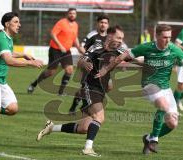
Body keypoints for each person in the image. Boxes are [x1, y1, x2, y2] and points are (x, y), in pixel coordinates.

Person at [95, 24, 183, 154]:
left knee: (172, 123)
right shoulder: (146, 47)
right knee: (163, 105)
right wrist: (106, 69)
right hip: (149, 85)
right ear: (157, 36)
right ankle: (154, 140)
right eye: (164, 37)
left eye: (169, 37)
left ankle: (149, 138)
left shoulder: (174, 49)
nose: (167, 40)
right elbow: (122, 56)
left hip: (165, 88)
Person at [36, 25, 127, 157]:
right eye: (118, 37)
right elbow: (80, 61)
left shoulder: (120, 51)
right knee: (99, 117)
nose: (120, 41)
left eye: (122, 39)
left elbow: (134, 58)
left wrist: (150, 60)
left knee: (84, 128)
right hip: (90, 87)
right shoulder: (97, 47)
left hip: (100, 92)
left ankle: (51, 127)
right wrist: (84, 64)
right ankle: (88, 148)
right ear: (110, 35)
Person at [0, 12, 43, 126]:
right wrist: (30, 63)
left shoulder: (7, 38)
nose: (19, 25)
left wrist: (23, 55)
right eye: (16, 22)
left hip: (1, 80)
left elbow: (8, 53)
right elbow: (8, 60)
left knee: (12, 108)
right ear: (7, 24)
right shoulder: (1, 38)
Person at [27, 8, 85, 96]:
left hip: (66, 51)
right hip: (55, 50)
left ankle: (61, 92)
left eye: (74, 13)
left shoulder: (75, 25)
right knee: (50, 72)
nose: (72, 15)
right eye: (70, 13)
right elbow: (53, 34)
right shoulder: (62, 22)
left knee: (69, 70)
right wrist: (60, 45)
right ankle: (33, 84)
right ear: (67, 14)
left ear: (76, 15)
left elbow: (75, 37)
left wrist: (79, 47)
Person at [69, 14, 110, 113]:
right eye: (101, 22)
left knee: (107, 86)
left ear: (108, 25)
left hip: (101, 68)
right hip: (88, 66)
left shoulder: (109, 38)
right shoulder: (92, 35)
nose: (103, 25)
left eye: (105, 23)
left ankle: (86, 105)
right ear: (97, 23)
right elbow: (81, 47)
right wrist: (88, 56)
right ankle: (77, 106)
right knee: (84, 87)